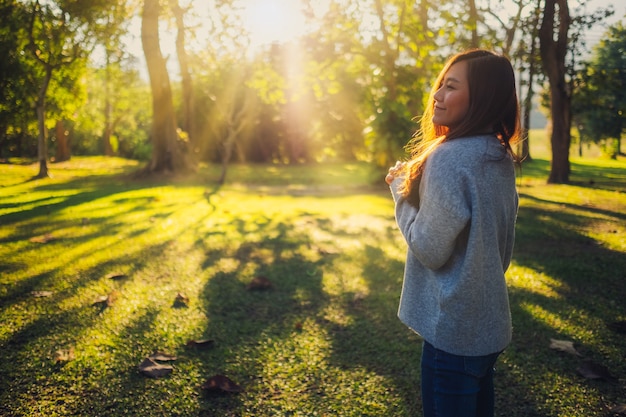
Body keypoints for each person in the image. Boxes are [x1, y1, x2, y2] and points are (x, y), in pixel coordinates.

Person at [385, 49, 522, 417]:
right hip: (489, 326)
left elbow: (430, 249)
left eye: (451, 87)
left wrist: (400, 192)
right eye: (440, 85)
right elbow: (501, 250)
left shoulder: (449, 158)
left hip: (454, 333)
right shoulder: (498, 156)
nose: (437, 95)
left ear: (481, 98)